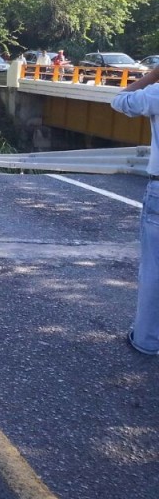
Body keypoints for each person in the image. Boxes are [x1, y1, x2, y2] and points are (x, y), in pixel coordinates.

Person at [112, 65, 159, 355]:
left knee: (155, 267)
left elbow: (118, 100)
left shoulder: (156, 93)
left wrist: (152, 76)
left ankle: (146, 340)